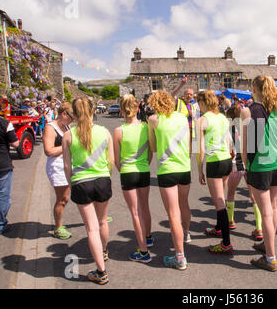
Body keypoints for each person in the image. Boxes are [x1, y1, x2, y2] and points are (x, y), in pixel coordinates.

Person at [62, 97, 114, 285]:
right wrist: (106, 177)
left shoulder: (68, 135)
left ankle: (101, 272)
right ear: (93, 111)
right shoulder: (104, 131)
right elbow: (111, 161)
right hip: (102, 180)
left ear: (73, 114)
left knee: (91, 227)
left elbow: (66, 166)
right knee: (102, 221)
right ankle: (104, 251)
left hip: (81, 183)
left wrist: (71, 183)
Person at [241, 75, 277, 272]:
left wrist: (245, 165)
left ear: (254, 88)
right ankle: (268, 246)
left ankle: (270, 257)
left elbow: (246, 145)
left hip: (260, 165)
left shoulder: (250, 111)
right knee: (272, 208)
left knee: (266, 212)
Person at [147, 90, 191, 270]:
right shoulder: (182, 117)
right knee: (184, 204)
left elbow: (153, 146)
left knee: (173, 213)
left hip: (167, 169)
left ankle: (180, 257)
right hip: (184, 166)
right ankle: (186, 234)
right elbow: (188, 143)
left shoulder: (153, 120)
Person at [113, 94, 153, 263]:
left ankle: (143, 251)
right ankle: (148, 237)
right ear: (138, 108)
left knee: (135, 212)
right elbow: (151, 152)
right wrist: (144, 164)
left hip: (128, 172)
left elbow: (116, 159)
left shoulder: (118, 131)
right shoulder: (146, 126)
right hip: (144, 170)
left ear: (122, 110)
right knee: (145, 206)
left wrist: (124, 170)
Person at [197, 90, 234, 255]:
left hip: (214, 161)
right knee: (221, 199)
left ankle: (226, 243)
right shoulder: (222, 118)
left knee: (219, 203)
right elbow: (227, 141)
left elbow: (200, 148)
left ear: (203, 103)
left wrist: (199, 169)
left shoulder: (203, 119)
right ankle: (219, 228)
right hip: (226, 160)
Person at [225, 105, 263, 241]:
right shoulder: (247, 128)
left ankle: (230, 220)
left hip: (235, 164)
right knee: (254, 196)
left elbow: (228, 149)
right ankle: (259, 227)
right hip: (249, 165)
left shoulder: (228, 130)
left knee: (231, 193)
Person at [43, 102, 74, 239]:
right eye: (71, 117)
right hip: (57, 166)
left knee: (74, 194)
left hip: (67, 164)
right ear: (63, 113)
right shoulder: (50, 127)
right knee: (63, 198)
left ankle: (98, 215)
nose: (72, 121)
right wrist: (68, 146)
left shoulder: (66, 125)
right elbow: (48, 150)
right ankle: (58, 227)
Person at [0, 100, 19, 236]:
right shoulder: (5, 123)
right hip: (2, 164)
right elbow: (16, 143)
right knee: (2, 195)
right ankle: (0, 225)